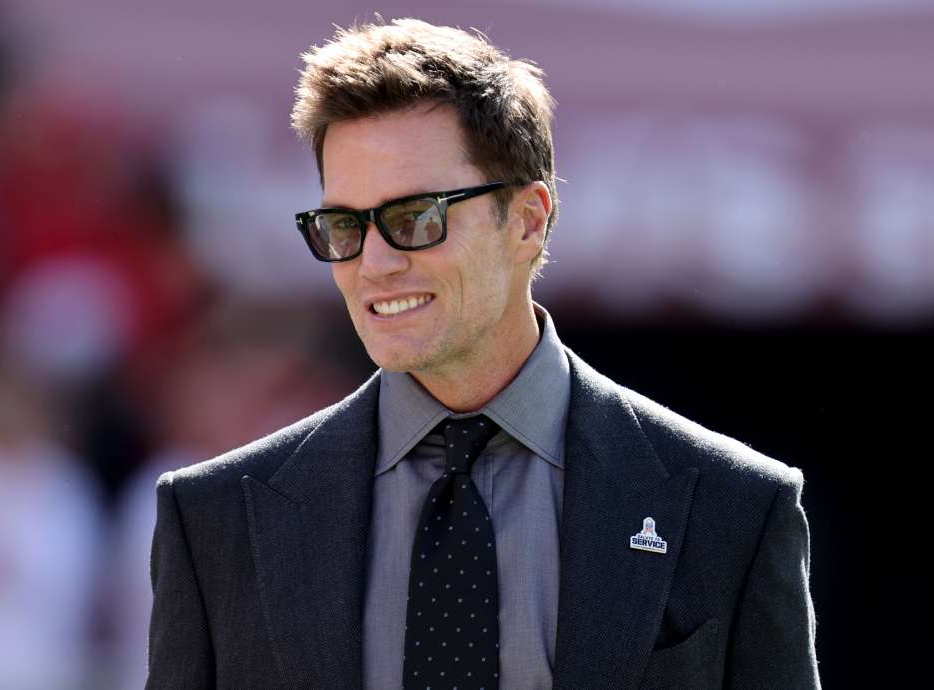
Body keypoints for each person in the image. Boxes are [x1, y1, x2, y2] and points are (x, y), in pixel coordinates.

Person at [146, 18, 820, 689]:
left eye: (415, 218)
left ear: (528, 221)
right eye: (345, 226)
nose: (374, 263)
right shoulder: (214, 521)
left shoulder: (734, 508)